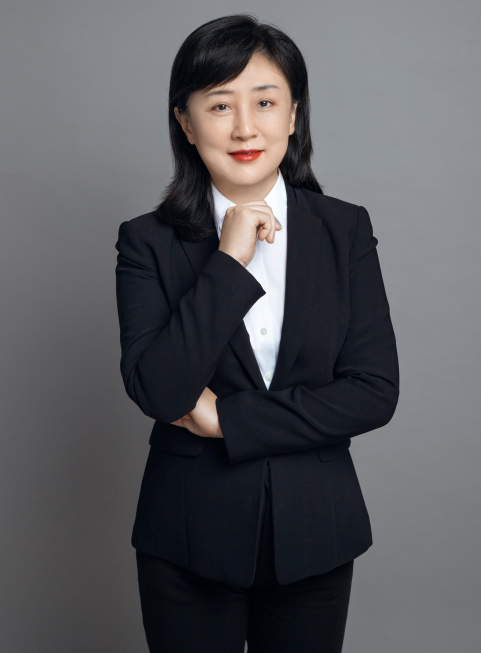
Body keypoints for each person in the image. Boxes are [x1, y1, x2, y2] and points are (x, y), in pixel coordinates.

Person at [114, 13, 399, 653]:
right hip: (187, 541)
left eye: (265, 102)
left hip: (317, 537)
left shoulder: (344, 230)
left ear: (293, 115)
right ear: (186, 123)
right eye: (220, 105)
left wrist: (227, 421)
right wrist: (228, 263)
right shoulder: (146, 242)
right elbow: (159, 390)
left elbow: (374, 392)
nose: (245, 127)